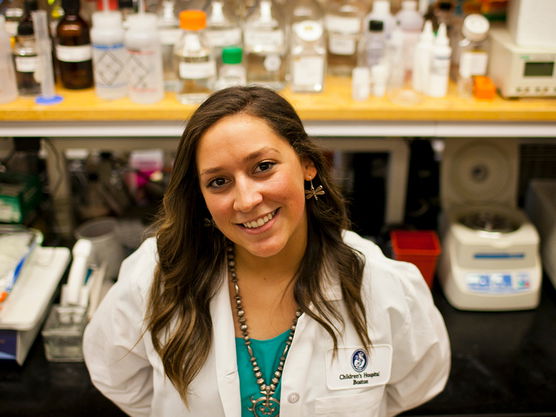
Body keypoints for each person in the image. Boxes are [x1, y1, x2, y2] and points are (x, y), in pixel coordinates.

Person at [83, 86, 450, 417]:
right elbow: (117, 376)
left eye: (263, 167)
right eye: (219, 181)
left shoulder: (378, 282)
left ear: (308, 164)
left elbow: (417, 381)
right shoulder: (158, 274)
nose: (246, 200)